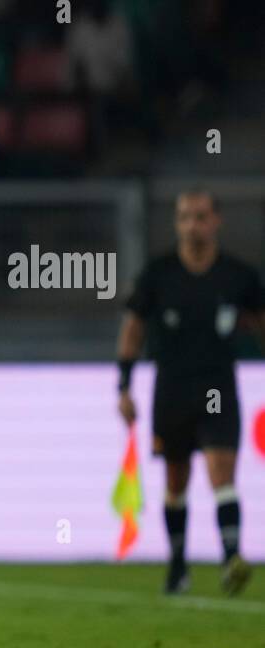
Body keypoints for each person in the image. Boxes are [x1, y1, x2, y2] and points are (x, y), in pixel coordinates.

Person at [117, 188, 265, 595]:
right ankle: (178, 564)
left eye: (200, 217)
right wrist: (124, 386)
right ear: (177, 222)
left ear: (216, 221)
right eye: (184, 217)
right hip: (172, 388)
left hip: (218, 386)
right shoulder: (158, 275)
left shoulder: (238, 276)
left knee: (222, 472)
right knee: (175, 479)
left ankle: (230, 558)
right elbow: (132, 329)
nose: (192, 225)